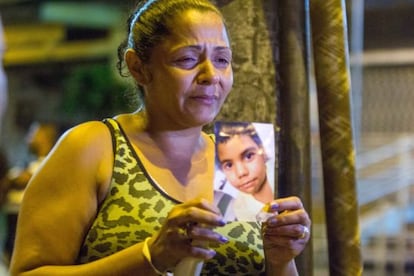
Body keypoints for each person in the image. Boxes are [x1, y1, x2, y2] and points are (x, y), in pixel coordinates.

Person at [10, 0, 311, 275]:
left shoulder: (237, 153)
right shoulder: (94, 148)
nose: (211, 75)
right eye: (187, 59)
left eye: (222, 60)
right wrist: (151, 255)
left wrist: (282, 258)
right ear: (138, 67)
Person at [215, 121, 274, 221]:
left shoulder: (284, 172)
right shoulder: (240, 211)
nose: (241, 172)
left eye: (249, 156)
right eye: (229, 165)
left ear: (263, 151)